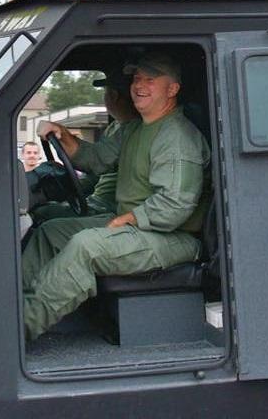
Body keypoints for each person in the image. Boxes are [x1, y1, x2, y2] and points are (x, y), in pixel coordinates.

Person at [22, 52, 210, 341]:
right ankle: (7, 306)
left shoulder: (177, 137)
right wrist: (64, 136)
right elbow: (97, 159)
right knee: (51, 231)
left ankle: (19, 329)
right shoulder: (135, 129)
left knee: (87, 246)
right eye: (136, 79)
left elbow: (175, 206)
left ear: (172, 90)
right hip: (141, 227)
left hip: (173, 236)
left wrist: (130, 217)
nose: (139, 86)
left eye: (150, 80)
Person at [29, 69, 139, 223]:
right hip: (96, 201)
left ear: (113, 96)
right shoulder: (116, 128)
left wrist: (64, 135)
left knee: (44, 223)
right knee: (41, 212)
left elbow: (98, 161)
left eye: (106, 93)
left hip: (109, 209)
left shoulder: (134, 130)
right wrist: (69, 184)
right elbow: (95, 176)